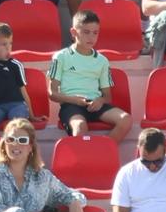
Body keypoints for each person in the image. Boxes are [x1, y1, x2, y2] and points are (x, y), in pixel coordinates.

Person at [48, 9, 130, 141]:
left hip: (95, 105)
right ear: (73, 32)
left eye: (95, 33)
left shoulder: (102, 60)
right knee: (80, 126)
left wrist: (100, 101)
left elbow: (107, 96)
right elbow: (52, 93)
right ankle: (85, 154)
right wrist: (75, 100)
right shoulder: (61, 57)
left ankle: (102, 150)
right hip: (71, 106)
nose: (91, 37)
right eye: (86, 32)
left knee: (125, 119)